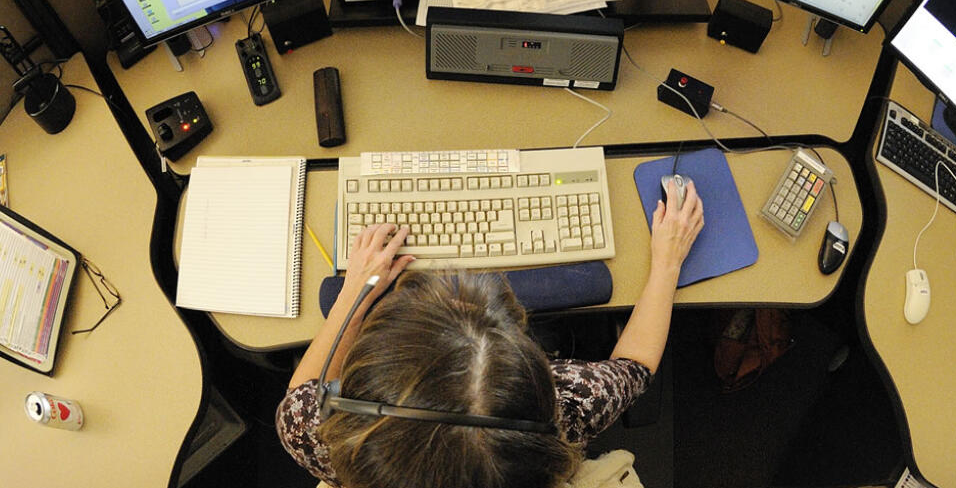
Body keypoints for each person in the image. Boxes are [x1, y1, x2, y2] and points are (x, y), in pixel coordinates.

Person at [277, 176, 707, 488]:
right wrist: (668, 261)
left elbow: (300, 394)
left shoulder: (327, 439)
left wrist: (357, 293)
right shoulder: (567, 408)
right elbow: (635, 368)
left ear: (343, 401)